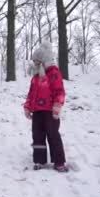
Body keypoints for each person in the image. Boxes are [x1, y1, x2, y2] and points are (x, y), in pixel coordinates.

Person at [23, 41, 68, 172]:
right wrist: (27, 107)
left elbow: (59, 91)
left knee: (53, 135)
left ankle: (59, 161)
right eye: (34, 62)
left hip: (50, 111)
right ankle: (40, 160)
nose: (35, 64)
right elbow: (31, 94)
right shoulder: (36, 77)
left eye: (37, 61)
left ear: (44, 60)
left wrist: (57, 106)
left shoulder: (53, 73)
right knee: (37, 135)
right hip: (37, 111)